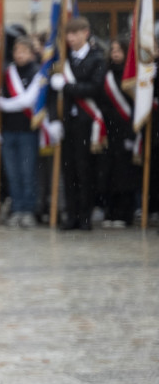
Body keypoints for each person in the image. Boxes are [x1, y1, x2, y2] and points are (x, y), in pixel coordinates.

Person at [48, 17, 107, 231]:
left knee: (85, 171)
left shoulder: (97, 58)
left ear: (86, 33)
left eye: (75, 33)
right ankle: (71, 215)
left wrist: (67, 87)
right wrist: (54, 120)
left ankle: (85, 215)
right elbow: (53, 96)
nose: (71, 38)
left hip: (87, 122)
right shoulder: (62, 60)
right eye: (68, 34)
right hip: (67, 122)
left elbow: (94, 87)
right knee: (68, 170)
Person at [0, 36, 41, 228]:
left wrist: (3, 104)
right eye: (17, 51)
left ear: (31, 53)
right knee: (12, 174)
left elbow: (28, 101)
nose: (19, 55)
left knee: (27, 172)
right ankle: (17, 208)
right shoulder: (6, 73)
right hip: (8, 130)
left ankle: (28, 210)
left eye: (24, 51)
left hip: (27, 130)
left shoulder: (37, 72)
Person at [98, 36, 138, 228]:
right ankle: (110, 212)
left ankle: (124, 213)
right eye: (112, 50)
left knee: (125, 174)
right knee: (108, 173)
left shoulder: (131, 75)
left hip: (125, 128)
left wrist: (132, 133)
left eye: (119, 50)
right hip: (108, 128)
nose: (115, 53)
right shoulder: (106, 73)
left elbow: (135, 105)